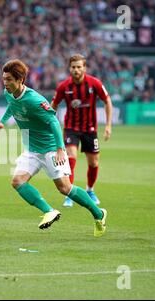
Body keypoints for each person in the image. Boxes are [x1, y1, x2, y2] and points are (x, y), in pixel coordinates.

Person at [0, 59, 107, 237]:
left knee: (65, 188)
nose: (5, 83)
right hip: (31, 149)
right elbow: (12, 106)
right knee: (17, 181)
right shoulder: (8, 92)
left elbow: (53, 121)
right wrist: (2, 122)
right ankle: (49, 211)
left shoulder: (34, 100)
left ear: (20, 79)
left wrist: (60, 149)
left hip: (51, 149)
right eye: (4, 79)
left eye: (9, 80)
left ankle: (99, 214)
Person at [50, 54, 113, 208]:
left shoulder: (94, 83)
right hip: (71, 128)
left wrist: (108, 125)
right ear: (69, 68)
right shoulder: (64, 86)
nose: (76, 70)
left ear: (84, 68)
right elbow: (54, 105)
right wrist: (50, 123)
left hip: (90, 129)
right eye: (73, 67)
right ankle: (70, 193)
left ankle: (90, 190)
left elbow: (107, 101)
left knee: (94, 162)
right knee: (71, 156)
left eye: (79, 67)